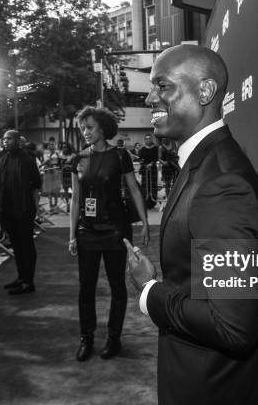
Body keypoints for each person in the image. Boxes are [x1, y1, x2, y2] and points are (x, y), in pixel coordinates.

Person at [125, 44, 258, 405]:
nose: (149, 98)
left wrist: (149, 291)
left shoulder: (222, 185)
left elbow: (231, 326)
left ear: (204, 91)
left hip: (210, 388)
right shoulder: (202, 164)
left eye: (163, 86)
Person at [69, 106, 149, 362]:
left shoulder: (120, 156)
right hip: (86, 232)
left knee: (117, 286)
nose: (85, 132)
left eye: (89, 127)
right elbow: (76, 200)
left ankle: (114, 338)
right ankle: (86, 339)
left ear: (102, 128)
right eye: (82, 128)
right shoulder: (77, 159)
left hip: (116, 230)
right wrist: (72, 235)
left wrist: (145, 222)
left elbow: (134, 189)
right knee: (86, 288)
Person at [0, 130, 41, 295]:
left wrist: (30, 202)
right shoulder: (5, 158)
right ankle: (21, 278)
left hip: (23, 210)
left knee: (26, 246)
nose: (5, 141)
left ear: (17, 141)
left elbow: (36, 181)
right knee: (16, 246)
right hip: (8, 210)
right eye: (4, 139)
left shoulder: (26, 159)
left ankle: (28, 281)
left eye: (9, 139)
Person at [138, 133, 158, 209]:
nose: (148, 140)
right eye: (146, 138)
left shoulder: (155, 148)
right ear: (144, 140)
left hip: (152, 169)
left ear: (151, 139)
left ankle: (153, 202)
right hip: (145, 170)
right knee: (145, 185)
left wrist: (151, 164)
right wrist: (144, 164)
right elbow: (140, 159)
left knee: (153, 185)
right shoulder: (142, 149)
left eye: (149, 138)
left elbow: (156, 158)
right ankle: (145, 202)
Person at [41, 140, 62, 213]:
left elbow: (60, 163)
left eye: (53, 144)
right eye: (50, 145)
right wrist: (47, 162)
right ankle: (51, 206)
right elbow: (43, 163)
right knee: (49, 190)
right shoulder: (45, 153)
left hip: (56, 173)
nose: (52, 146)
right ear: (48, 146)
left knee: (56, 190)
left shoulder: (58, 153)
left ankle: (55, 206)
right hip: (48, 173)